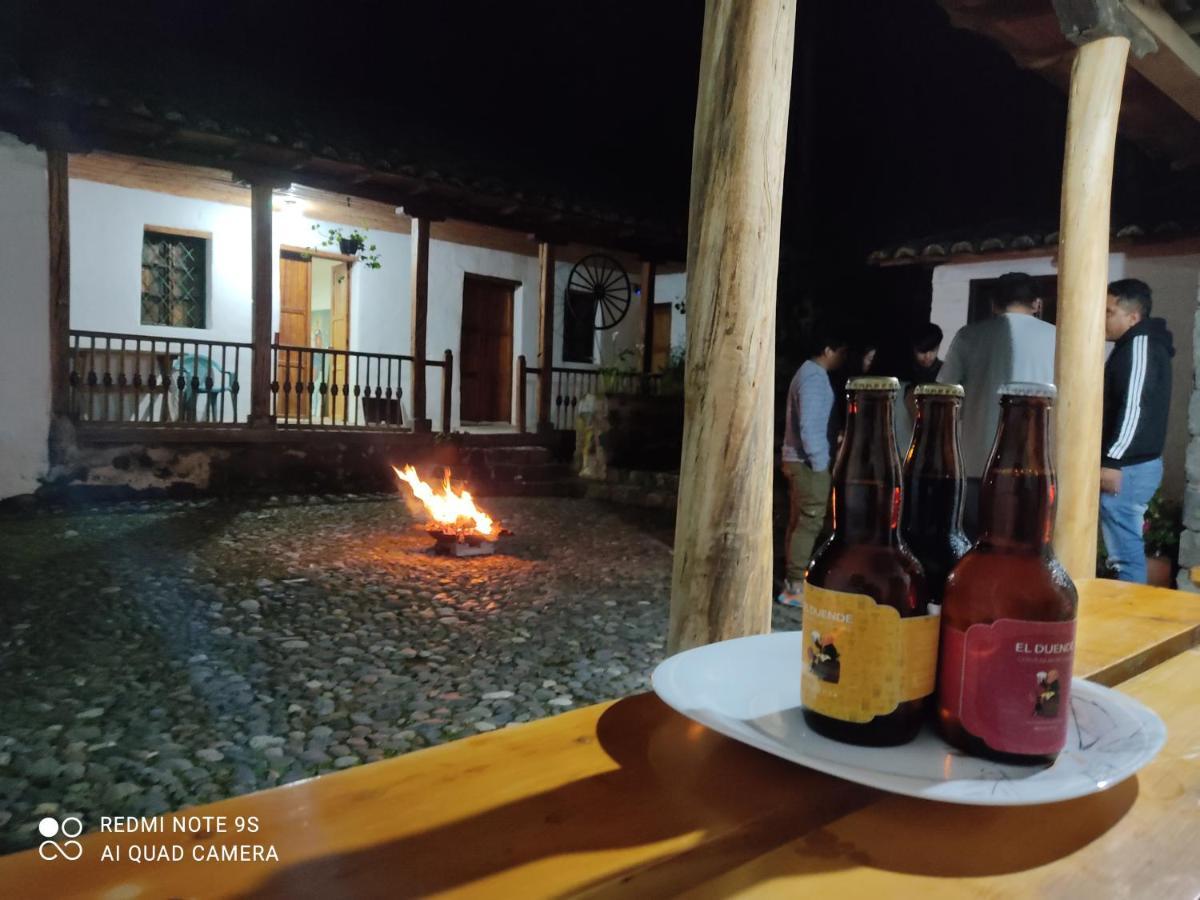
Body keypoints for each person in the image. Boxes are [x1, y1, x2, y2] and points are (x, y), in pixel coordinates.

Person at [938, 273, 1056, 536]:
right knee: (1028, 539)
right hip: (1037, 462)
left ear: (993, 303)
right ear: (1036, 303)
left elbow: (945, 391)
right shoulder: (1058, 338)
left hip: (978, 460)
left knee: (973, 538)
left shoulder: (970, 336)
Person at [1100, 278, 1174, 583]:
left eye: (1108, 311)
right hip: (1131, 463)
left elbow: (1135, 408)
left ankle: (1126, 624)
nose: (1102, 318)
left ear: (1132, 317)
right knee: (1123, 555)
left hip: (1129, 466)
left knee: (1125, 558)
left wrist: (1112, 460)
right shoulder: (1134, 344)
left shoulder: (1141, 344)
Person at [779, 328, 849, 607]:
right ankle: (795, 584)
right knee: (809, 521)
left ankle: (793, 580)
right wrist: (822, 464)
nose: (843, 358)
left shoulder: (806, 374)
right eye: (841, 352)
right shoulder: (813, 378)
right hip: (808, 463)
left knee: (800, 521)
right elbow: (810, 426)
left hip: (799, 460)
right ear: (828, 350)